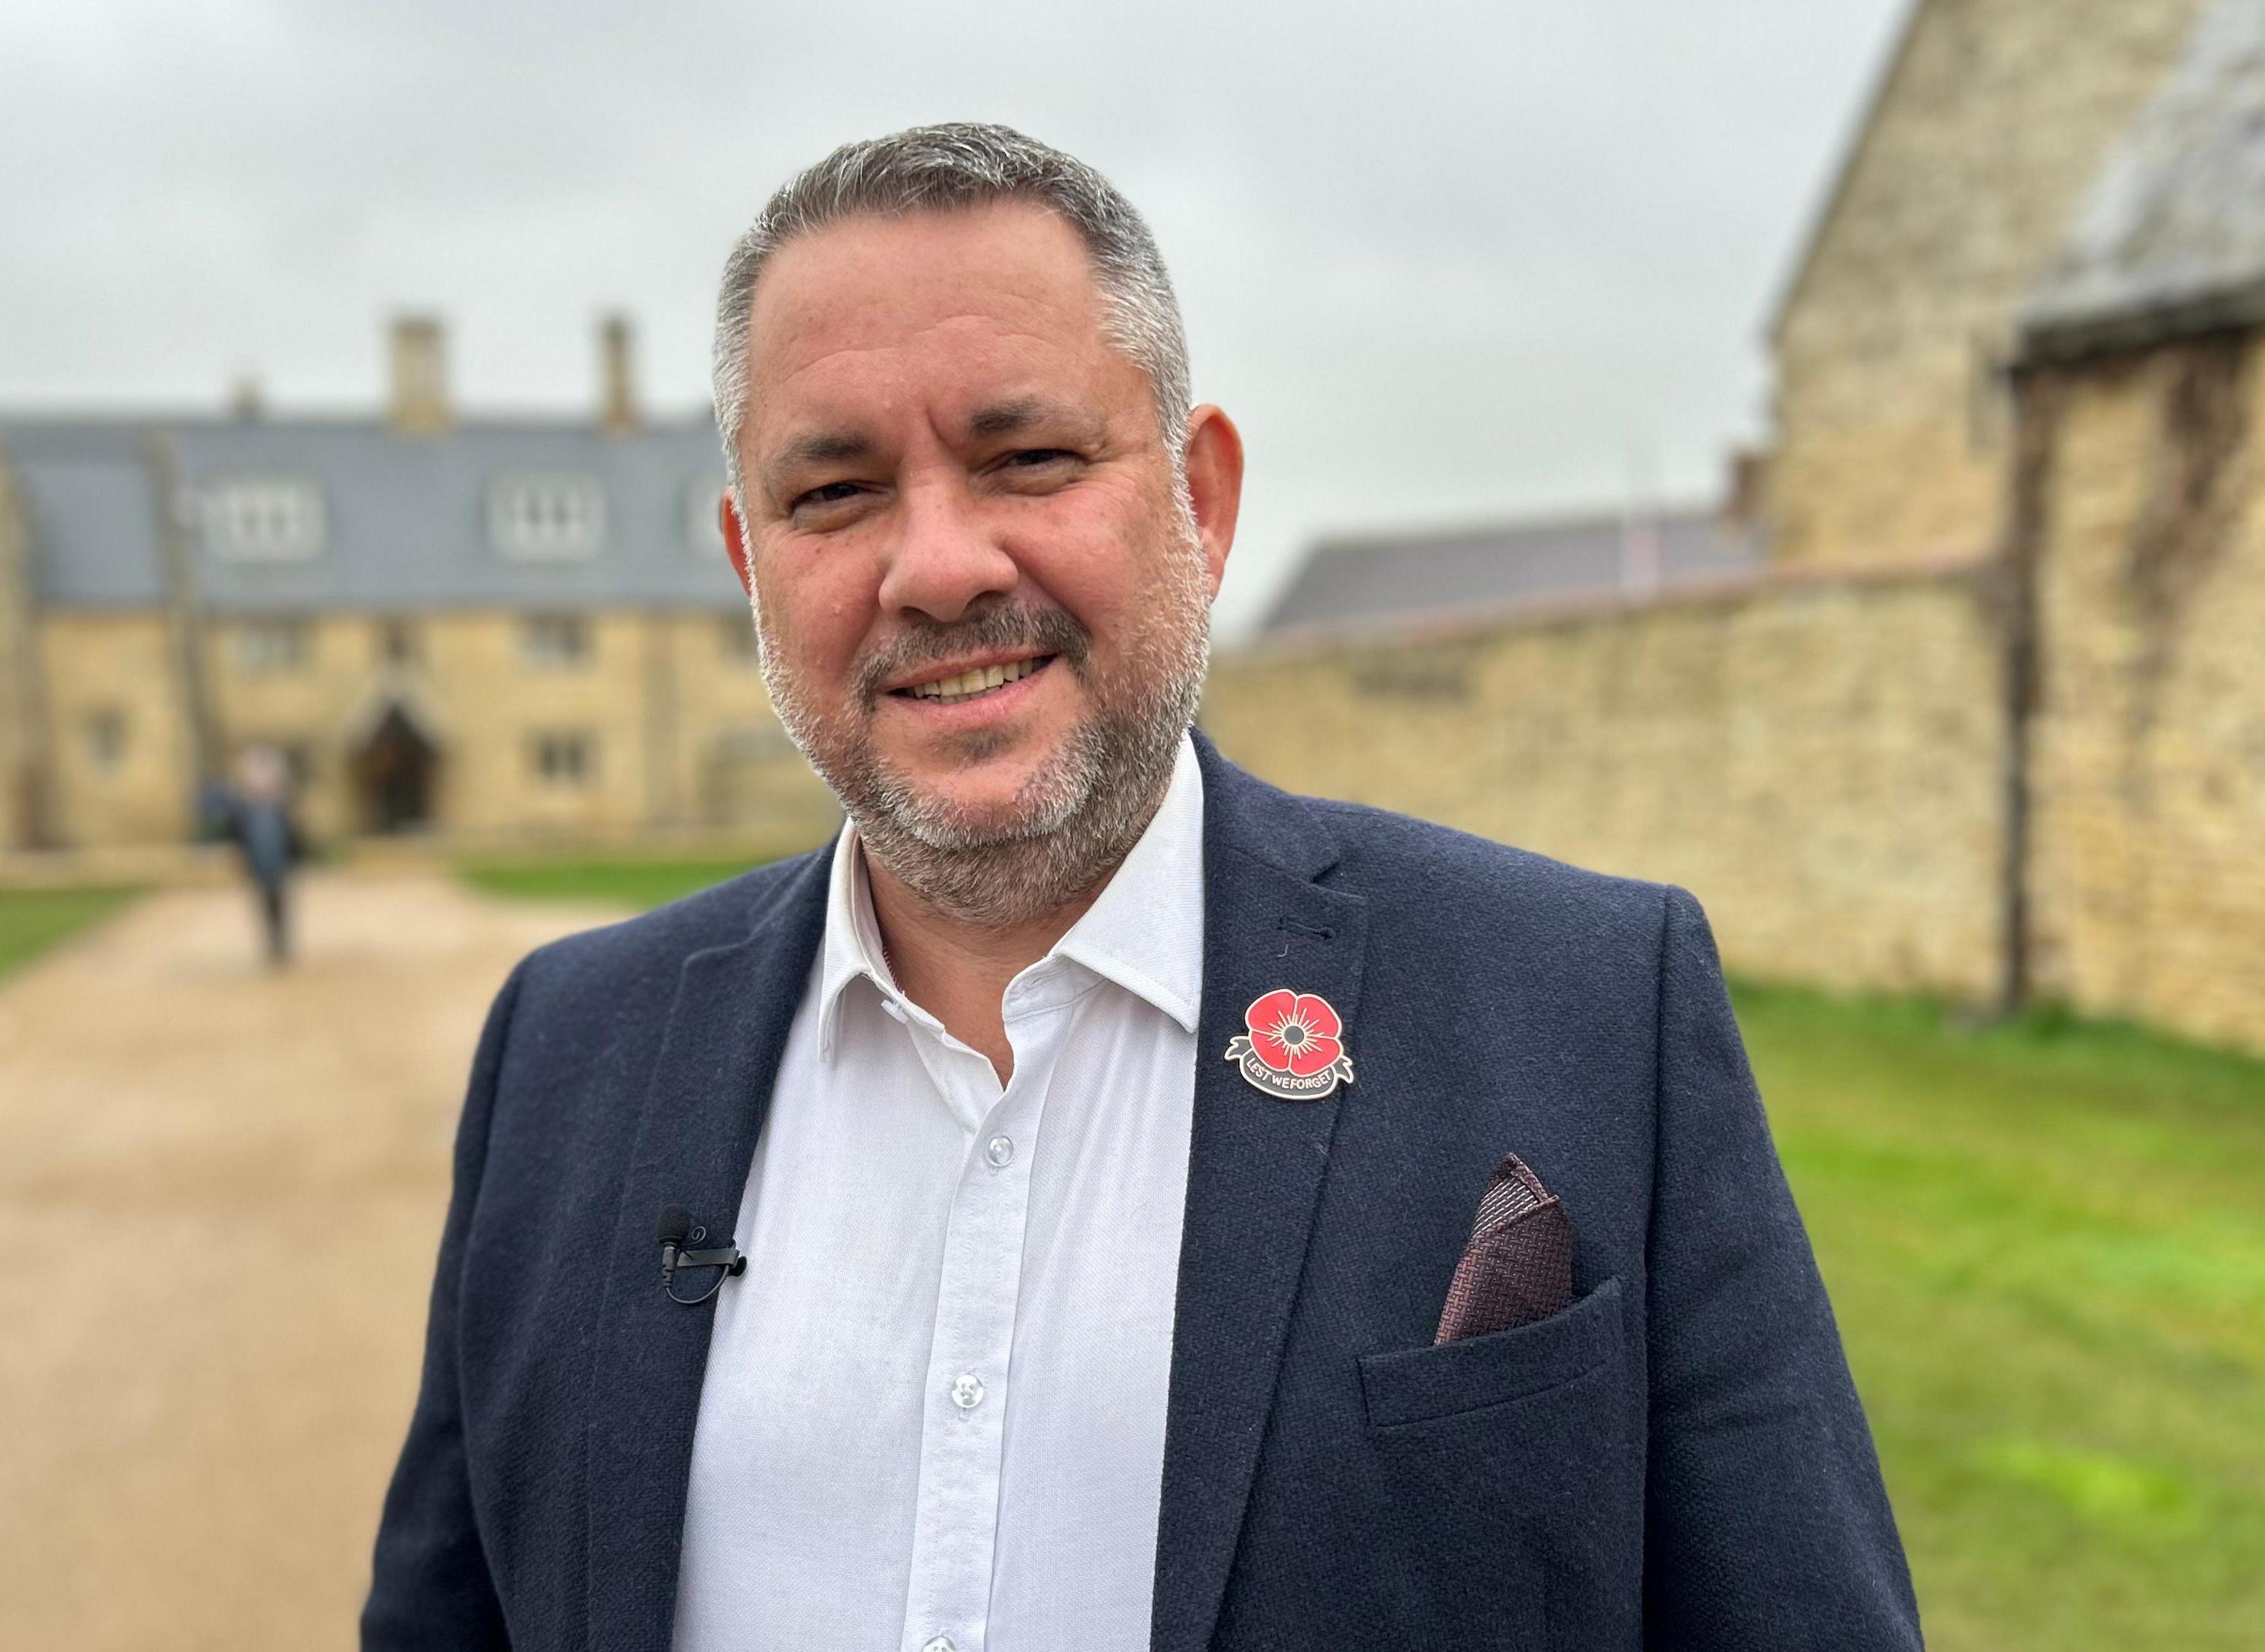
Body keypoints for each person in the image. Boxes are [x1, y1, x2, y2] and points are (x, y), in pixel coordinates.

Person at [364, 123, 1921, 1650]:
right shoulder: (567, 1050)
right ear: (747, 558)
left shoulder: (1586, 1006)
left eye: (1027, 458)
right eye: (833, 492)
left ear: (1204, 497)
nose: (939, 564)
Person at [218, 745, 302, 967]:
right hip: (258, 841)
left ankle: (280, 940)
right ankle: (272, 940)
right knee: (265, 897)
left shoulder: (275, 769)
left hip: (274, 839)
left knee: (279, 896)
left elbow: (285, 798)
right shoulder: (248, 769)